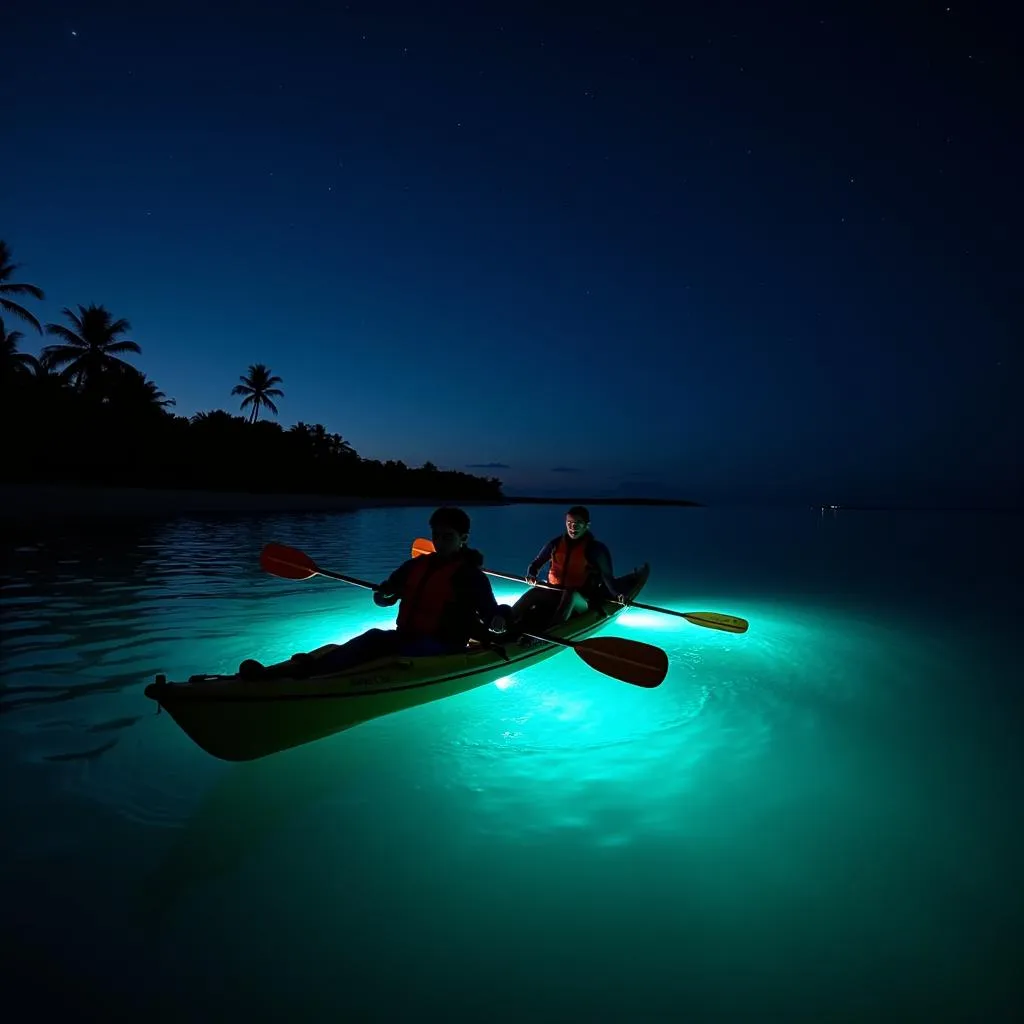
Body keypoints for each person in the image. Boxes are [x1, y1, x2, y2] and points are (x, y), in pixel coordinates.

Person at [240, 507, 511, 679]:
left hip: (442, 646)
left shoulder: (471, 576)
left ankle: (306, 676)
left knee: (377, 643)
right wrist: (384, 595)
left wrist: (499, 618)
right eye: (436, 535)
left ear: (463, 538)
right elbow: (384, 596)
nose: (439, 542)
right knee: (374, 638)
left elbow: (490, 611)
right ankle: (294, 671)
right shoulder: (416, 565)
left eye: (447, 537)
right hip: (408, 637)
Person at [509, 505, 627, 637]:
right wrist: (532, 574)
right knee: (534, 592)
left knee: (570, 594)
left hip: (581, 600)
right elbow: (535, 564)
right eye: (569, 523)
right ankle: (506, 621)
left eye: (578, 524)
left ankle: (550, 634)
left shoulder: (596, 549)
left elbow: (608, 577)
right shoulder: (555, 544)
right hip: (555, 593)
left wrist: (618, 594)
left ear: (587, 525)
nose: (573, 527)